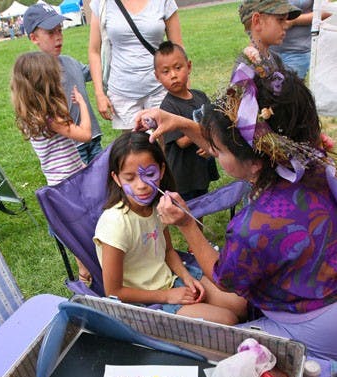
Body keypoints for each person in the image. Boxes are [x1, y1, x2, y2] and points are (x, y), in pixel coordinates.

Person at [135, 55, 337, 360]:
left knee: (228, 348)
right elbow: (239, 140)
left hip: (312, 330)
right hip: (319, 294)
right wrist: (180, 122)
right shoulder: (311, 160)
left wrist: (188, 225)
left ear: (255, 162)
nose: (213, 153)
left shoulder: (254, 228)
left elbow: (224, 278)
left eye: (218, 151)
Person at [93, 131, 247, 325]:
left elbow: (168, 250)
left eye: (149, 174)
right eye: (130, 178)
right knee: (228, 320)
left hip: (172, 279)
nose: (141, 185)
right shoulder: (115, 224)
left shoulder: (157, 206)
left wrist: (186, 276)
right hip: (147, 301)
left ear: (162, 170)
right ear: (116, 178)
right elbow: (113, 292)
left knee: (240, 305)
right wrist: (167, 296)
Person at [11, 51, 92, 284]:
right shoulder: (50, 117)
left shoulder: (31, 115)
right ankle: (89, 277)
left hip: (59, 182)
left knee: (77, 233)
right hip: (70, 183)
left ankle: (87, 275)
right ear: (46, 82)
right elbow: (85, 134)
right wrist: (83, 105)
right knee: (84, 231)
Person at [23, 2, 102, 164]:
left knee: (102, 182)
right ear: (34, 37)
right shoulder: (37, 76)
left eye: (59, 30)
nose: (58, 36)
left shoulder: (70, 62)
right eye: (51, 33)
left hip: (93, 136)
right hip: (72, 147)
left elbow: (93, 72)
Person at [88, 0, 183, 132]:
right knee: (135, 148)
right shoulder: (102, 2)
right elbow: (94, 52)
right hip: (123, 92)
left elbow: (178, 50)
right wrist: (99, 93)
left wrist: (185, 93)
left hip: (161, 88)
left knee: (168, 145)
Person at [154, 40, 219, 203]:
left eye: (178, 68)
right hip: (183, 174)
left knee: (202, 204)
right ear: (157, 77)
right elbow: (181, 142)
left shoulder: (200, 96)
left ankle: (199, 229)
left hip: (201, 169)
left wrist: (209, 143)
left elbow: (214, 124)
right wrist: (202, 130)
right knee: (188, 210)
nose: (173, 75)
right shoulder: (167, 107)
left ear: (188, 67)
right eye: (166, 71)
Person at [271, 0, 332, 80]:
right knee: (263, 89)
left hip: (297, 53)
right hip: (267, 49)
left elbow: (327, 11)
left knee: (288, 89)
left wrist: (294, 21)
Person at [237, 0, 302, 70]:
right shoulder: (245, 69)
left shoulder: (275, 58)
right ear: (257, 21)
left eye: (285, 20)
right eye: (280, 20)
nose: (286, 26)